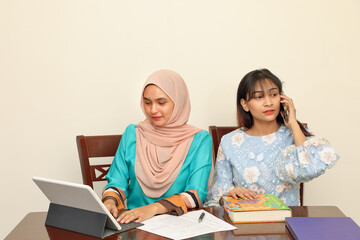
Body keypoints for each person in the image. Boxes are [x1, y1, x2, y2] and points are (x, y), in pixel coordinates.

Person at [204, 68, 339, 206]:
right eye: (259, 97)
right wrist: (231, 193)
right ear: (245, 104)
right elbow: (216, 194)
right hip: (245, 221)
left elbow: (311, 168)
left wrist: (293, 123)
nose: (268, 102)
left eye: (273, 94)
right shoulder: (229, 142)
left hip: (288, 222)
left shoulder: (294, 134)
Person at [102, 69, 212, 223]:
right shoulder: (133, 133)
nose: (153, 110)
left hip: (180, 225)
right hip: (135, 224)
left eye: (161, 102)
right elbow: (117, 181)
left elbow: (196, 192)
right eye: (147, 102)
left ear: (178, 101)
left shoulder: (199, 139)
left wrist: (153, 209)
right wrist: (110, 202)